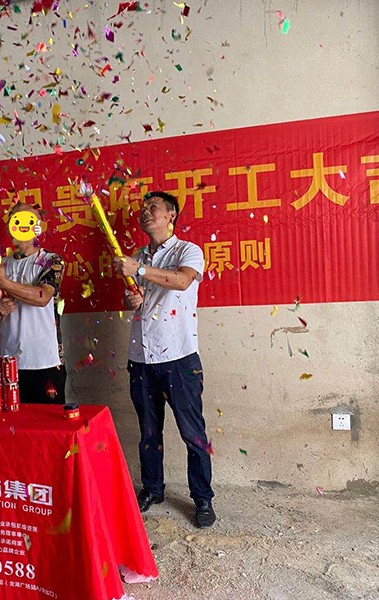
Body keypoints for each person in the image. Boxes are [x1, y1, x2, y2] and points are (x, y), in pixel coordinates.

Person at [113, 191, 216, 528]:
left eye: (153, 208)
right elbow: (139, 299)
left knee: (193, 433)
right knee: (148, 432)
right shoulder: (139, 256)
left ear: (171, 215)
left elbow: (182, 281)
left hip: (179, 358)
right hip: (141, 357)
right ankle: (153, 489)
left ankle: (202, 497)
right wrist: (134, 299)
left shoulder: (188, 250)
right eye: (142, 208)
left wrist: (139, 270)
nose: (145, 212)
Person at [0, 202, 66, 404]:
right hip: (9, 363)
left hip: (46, 361)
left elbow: (42, 297)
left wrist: (3, 282)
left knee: (49, 422)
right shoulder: (1, 266)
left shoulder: (51, 260)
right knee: (14, 421)